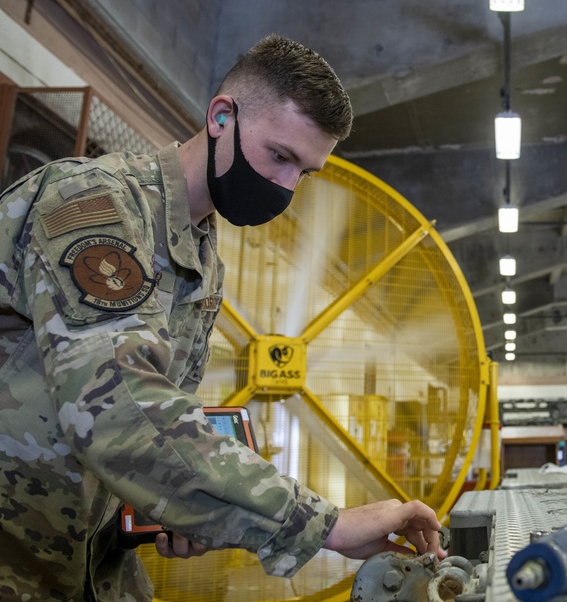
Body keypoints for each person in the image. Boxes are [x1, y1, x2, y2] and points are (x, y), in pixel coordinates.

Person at [0, 35, 445, 601]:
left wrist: (179, 508)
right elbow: (118, 410)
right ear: (220, 116)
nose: (285, 187)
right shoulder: (94, 204)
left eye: (303, 173)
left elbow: (165, 413)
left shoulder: (202, 257)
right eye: (279, 156)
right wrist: (326, 525)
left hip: (89, 561)